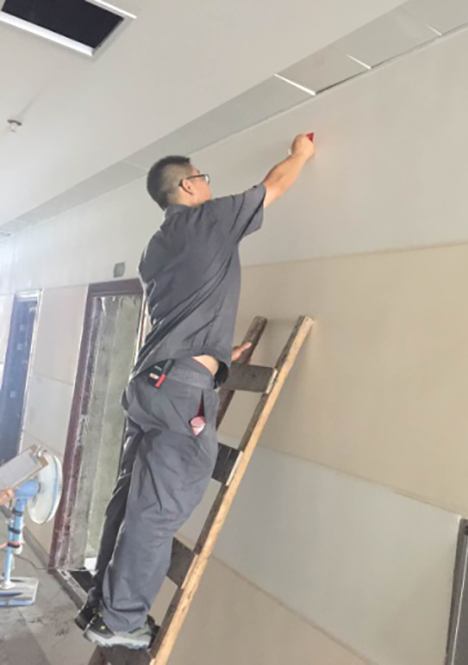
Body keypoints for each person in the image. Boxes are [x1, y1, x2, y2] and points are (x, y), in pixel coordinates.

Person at [79, 134, 315, 649]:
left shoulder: (156, 247)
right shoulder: (208, 220)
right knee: (158, 510)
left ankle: (102, 601)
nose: (208, 185)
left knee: (131, 499)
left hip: (151, 385)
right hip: (180, 392)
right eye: (203, 177)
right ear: (187, 186)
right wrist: (301, 153)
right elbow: (273, 186)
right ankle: (119, 619)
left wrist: (219, 353)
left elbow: (184, 310)